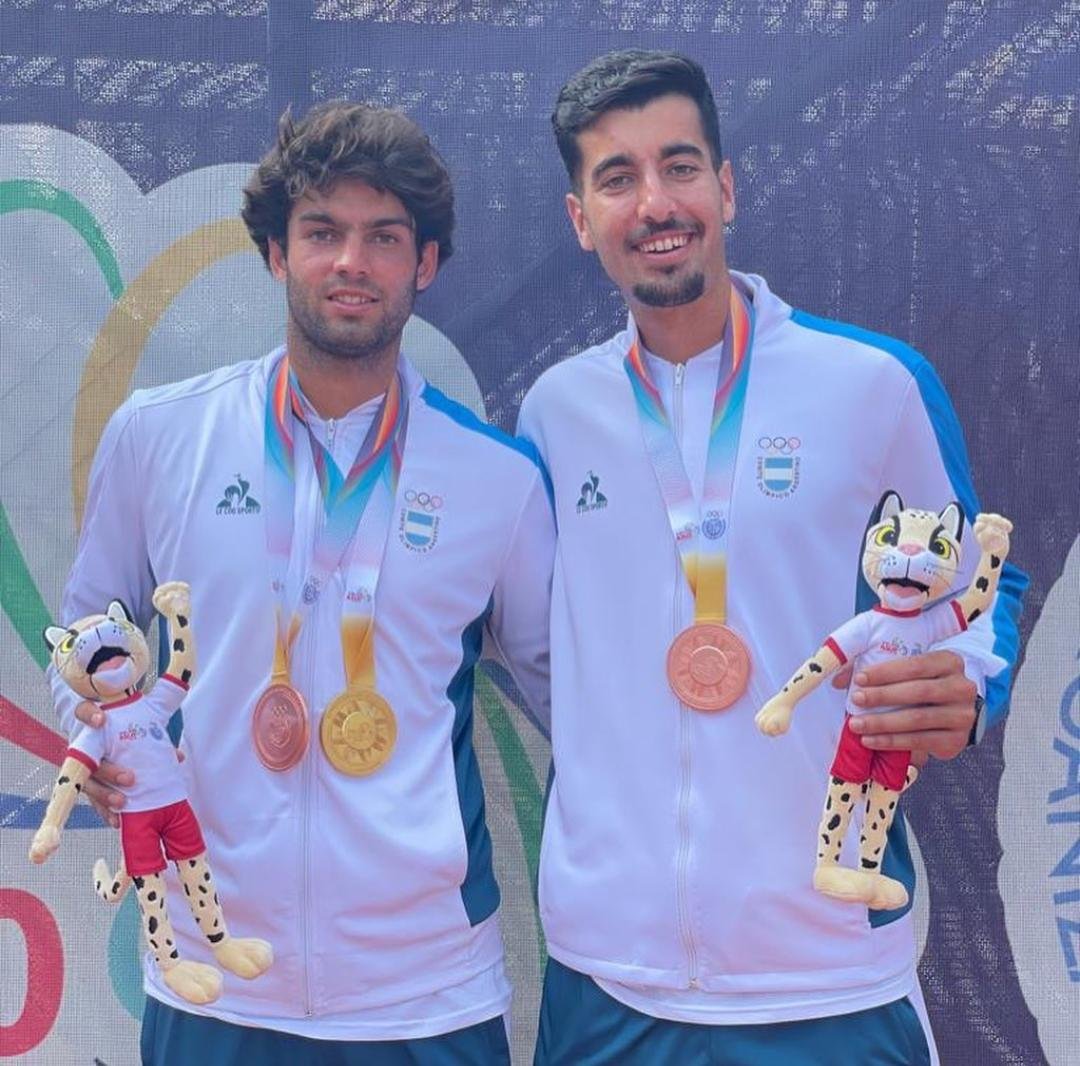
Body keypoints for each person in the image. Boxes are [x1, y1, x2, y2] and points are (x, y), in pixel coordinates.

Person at [517, 50, 1026, 1064]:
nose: (655, 202)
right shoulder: (553, 412)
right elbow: (539, 645)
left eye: (680, 165)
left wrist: (969, 687)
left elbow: (985, 587)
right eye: (617, 179)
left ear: (728, 185)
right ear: (581, 219)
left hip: (827, 976)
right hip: (610, 982)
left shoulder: (874, 385)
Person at [52, 100, 553, 1064]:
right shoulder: (159, 439)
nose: (350, 264)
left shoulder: (498, 481)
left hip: (427, 997)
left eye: (383, 238)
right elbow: (90, 638)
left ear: (426, 264)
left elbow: (571, 695)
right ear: (277, 254)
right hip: (215, 981)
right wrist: (103, 739)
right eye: (321, 232)